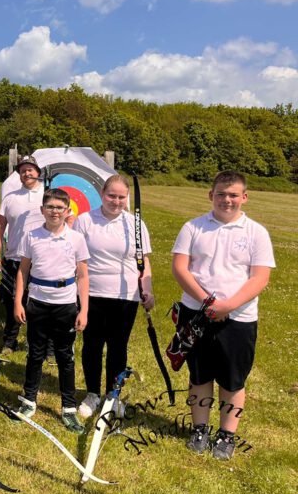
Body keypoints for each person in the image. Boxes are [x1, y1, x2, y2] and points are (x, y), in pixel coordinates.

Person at [171, 171, 274, 460]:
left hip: (239, 317)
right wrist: (206, 302)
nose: (226, 200)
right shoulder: (193, 227)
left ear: (244, 197)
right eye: (221, 194)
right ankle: (200, 429)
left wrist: (228, 306)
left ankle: (226, 435)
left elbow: (259, 278)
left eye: (233, 195)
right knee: (200, 375)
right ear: (210, 195)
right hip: (196, 313)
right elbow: (180, 268)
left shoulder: (257, 232)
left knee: (232, 380)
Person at [73, 175, 155, 419]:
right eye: (111, 195)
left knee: (118, 346)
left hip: (125, 294)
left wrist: (147, 289)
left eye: (121, 197)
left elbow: (144, 261)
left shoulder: (135, 224)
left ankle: (113, 395)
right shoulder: (85, 220)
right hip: (93, 292)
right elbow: (78, 260)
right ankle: (92, 394)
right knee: (92, 345)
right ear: (102, 194)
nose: (116, 201)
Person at [14, 188, 89, 433]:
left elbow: (83, 275)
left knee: (65, 356)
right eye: (50, 207)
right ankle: (28, 401)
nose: (55, 211)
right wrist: (18, 301)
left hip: (65, 304)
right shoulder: (31, 235)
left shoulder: (76, 238)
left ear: (68, 212)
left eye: (60, 207)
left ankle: (68, 408)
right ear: (42, 210)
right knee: (35, 354)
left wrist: (83, 309)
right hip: (37, 302)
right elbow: (23, 271)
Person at [0, 154, 46, 355]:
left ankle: (43, 345)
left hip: (41, 259)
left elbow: (68, 219)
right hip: (14, 257)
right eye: (23, 170)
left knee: (41, 304)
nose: (27, 173)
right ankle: (9, 341)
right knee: (12, 300)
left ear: (38, 172)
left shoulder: (48, 194)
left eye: (30, 169)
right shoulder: (10, 198)